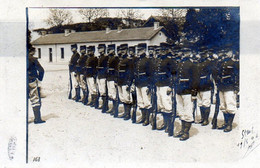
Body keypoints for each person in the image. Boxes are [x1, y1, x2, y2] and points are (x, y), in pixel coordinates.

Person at [174, 46, 199, 141]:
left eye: (186, 51)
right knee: (180, 111)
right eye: (183, 51)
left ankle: (186, 132)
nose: (184, 53)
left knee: (188, 111)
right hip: (179, 90)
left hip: (188, 91)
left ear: (190, 52)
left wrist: (194, 92)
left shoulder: (192, 65)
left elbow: (195, 79)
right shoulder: (180, 63)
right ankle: (182, 129)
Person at [216, 46, 239, 132]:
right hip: (222, 86)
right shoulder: (221, 63)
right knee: (223, 105)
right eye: (225, 51)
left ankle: (229, 125)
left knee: (230, 105)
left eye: (228, 52)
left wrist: (236, 87)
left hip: (230, 86)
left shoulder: (234, 63)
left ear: (232, 53)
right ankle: (226, 123)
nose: (226, 53)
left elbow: (238, 76)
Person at [154, 43, 174, 131]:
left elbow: (173, 74)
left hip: (166, 85)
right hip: (159, 84)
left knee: (167, 104)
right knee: (161, 104)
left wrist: (170, 86)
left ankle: (169, 125)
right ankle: (164, 123)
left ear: (167, 50)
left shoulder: (170, 61)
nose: (161, 51)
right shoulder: (158, 60)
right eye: (160, 50)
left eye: (163, 50)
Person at [135, 43, 153, 124]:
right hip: (138, 82)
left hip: (145, 83)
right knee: (140, 101)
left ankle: (147, 119)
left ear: (144, 50)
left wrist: (149, 85)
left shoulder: (148, 60)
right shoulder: (137, 60)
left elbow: (150, 74)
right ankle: (143, 117)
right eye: (138, 50)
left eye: (140, 50)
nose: (138, 51)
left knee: (146, 101)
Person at [28, 47, 45, 124]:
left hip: (22, 81)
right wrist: (39, 78)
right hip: (32, 80)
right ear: (32, 51)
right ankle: (37, 119)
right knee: (35, 99)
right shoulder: (33, 59)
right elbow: (41, 70)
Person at [196, 46, 213, 126]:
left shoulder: (209, 62)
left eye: (204, 53)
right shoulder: (197, 62)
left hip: (206, 84)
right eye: (201, 53)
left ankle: (206, 119)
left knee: (206, 102)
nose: (202, 55)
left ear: (207, 54)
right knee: (200, 103)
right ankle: (202, 118)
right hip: (198, 85)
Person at [117, 44, 133, 120]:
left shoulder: (129, 60)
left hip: (125, 82)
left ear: (126, 50)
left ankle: (128, 114)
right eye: (121, 50)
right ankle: (125, 112)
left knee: (127, 98)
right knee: (122, 97)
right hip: (119, 81)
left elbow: (130, 72)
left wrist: (128, 83)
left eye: (123, 50)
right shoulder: (120, 60)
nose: (122, 51)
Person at [106, 44, 120, 116]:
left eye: (110, 49)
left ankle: (115, 110)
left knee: (114, 94)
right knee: (110, 94)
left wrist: (115, 79)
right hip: (109, 78)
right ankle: (112, 108)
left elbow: (116, 70)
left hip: (112, 78)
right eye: (108, 49)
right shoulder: (109, 58)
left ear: (114, 50)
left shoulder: (116, 58)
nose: (109, 51)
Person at [96, 44, 109, 113]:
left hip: (103, 76)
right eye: (98, 48)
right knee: (101, 91)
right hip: (99, 76)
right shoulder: (100, 57)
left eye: (100, 48)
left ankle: (105, 106)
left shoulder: (106, 57)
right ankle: (104, 105)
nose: (99, 50)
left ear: (104, 49)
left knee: (104, 91)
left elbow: (106, 67)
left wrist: (100, 68)